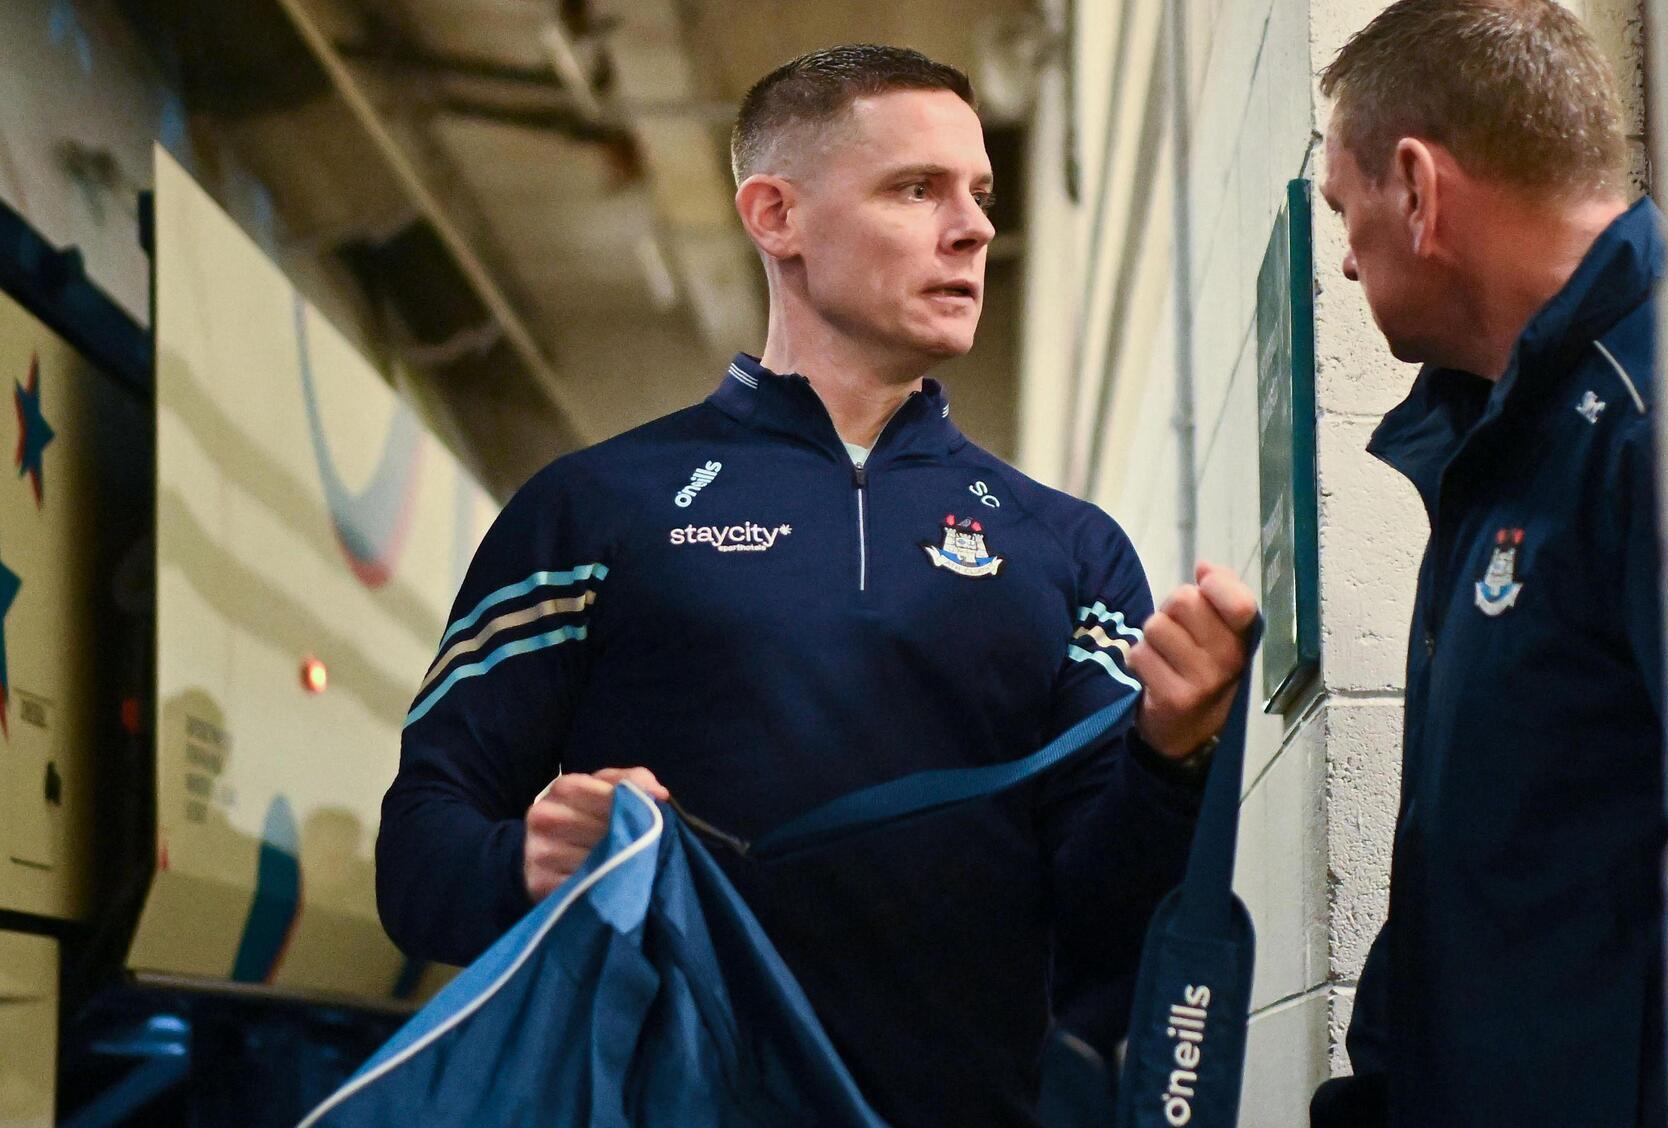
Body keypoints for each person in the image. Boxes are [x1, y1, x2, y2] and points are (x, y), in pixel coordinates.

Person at [376, 44, 1257, 1127]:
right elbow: (414, 862)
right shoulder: (590, 509)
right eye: (916, 189)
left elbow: (1103, 938)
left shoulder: (1068, 550)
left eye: (980, 194)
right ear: (775, 215)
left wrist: (1172, 754)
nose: (973, 229)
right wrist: (525, 859)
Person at [1306, 3, 1668, 1125]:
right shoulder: (1498, 447)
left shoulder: (1664, 414)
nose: (1346, 263)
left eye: (1344, 212)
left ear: (1417, 191)